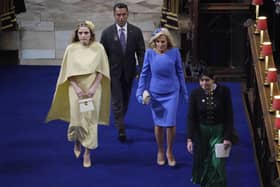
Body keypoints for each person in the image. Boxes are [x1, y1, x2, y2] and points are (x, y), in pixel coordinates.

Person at [46, 20, 111, 168]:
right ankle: (77, 141)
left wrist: (94, 87)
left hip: (93, 87)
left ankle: (87, 153)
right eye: (80, 33)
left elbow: (102, 70)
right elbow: (66, 71)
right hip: (75, 87)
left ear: (91, 34)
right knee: (76, 119)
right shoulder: (71, 49)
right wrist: (76, 87)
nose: (83, 35)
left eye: (86, 33)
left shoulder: (99, 48)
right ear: (76, 34)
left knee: (90, 120)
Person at [136, 28, 188, 167]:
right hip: (156, 94)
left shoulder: (175, 52)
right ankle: (160, 150)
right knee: (158, 124)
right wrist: (139, 92)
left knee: (170, 123)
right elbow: (144, 74)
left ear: (168, 41)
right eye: (157, 42)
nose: (160, 44)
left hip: (172, 92)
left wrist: (184, 91)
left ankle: (169, 151)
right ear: (154, 42)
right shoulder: (149, 54)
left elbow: (180, 72)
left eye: (163, 41)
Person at [100, 2, 145, 142]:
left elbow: (141, 53)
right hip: (113, 72)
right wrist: (102, 72)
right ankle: (121, 128)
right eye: (118, 15)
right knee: (117, 100)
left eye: (123, 14)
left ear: (127, 14)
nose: (121, 17)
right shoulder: (107, 33)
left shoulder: (136, 31)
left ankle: (119, 117)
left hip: (130, 72)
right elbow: (102, 55)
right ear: (114, 15)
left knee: (125, 99)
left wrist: (142, 71)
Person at [186, 69, 233, 186]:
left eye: (207, 80)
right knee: (203, 161)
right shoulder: (195, 93)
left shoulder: (224, 91)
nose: (204, 83)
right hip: (201, 133)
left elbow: (229, 115)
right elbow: (191, 117)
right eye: (201, 80)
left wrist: (227, 136)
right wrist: (190, 138)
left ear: (213, 79)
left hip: (219, 132)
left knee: (217, 162)